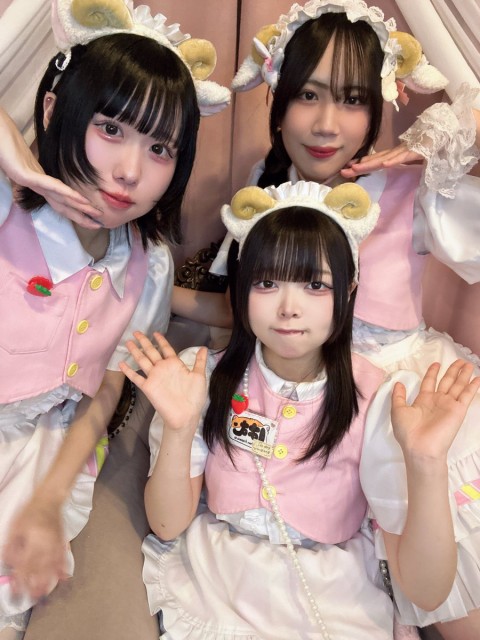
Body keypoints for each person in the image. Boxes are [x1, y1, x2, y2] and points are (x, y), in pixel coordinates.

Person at [212, 3, 480, 636]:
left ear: (380, 104)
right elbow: (240, 311)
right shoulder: (263, 190)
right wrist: (148, 293)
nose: (327, 124)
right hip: (314, 396)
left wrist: (430, 142)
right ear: (277, 97)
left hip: (404, 393)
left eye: (353, 99)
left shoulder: (411, 188)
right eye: (308, 94)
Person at [119, 179, 480, 640]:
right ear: (241, 288)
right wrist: (179, 426)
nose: (289, 308)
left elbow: (426, 593)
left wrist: (426, 464)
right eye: (267, 283)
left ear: (349, 289)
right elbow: (167, 524)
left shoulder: (380, 400)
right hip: (218, 587)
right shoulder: (200, 378)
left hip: (337, 600)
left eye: (314, 285)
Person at [0, 0, 231, 636]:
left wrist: (48, 499)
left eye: (160, 147)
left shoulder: (148, 265)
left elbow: (103, 394)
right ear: (54, 111)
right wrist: (17, 161)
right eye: (110, 128)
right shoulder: (7, 206)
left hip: (39, 452)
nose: (130, 171)